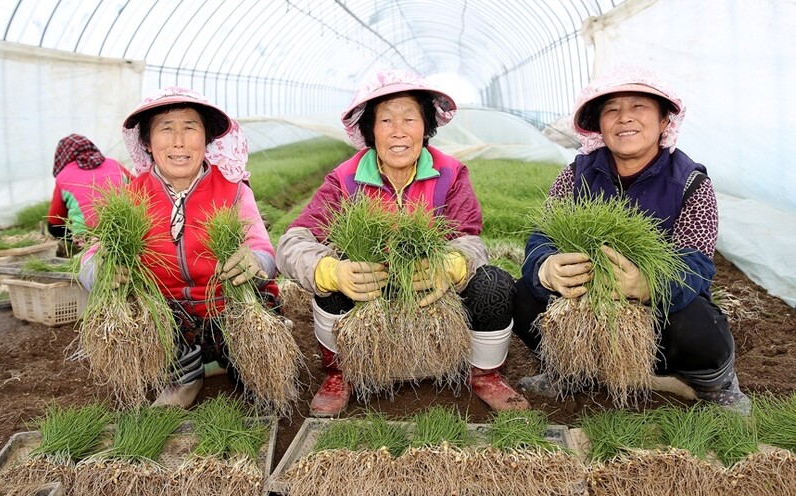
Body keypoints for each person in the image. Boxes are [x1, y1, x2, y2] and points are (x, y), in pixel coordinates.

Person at [276, 69, 528, 416]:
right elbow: (292, 242)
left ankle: (485, 374)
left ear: (425, 126)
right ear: (370, 130)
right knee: (330, 281)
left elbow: (470, 239)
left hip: (431, 289)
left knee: (494, 283)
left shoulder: (450, 173)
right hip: (371, 290)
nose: (398, 130)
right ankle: (340, 374)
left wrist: (450, 266)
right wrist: (332, 272)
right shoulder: (346, 179)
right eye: (385, 120)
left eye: (410, 118)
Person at [513, 64, 751, 414]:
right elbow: (542, 236)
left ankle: (713, 383)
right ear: (599, 125)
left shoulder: (691, 183)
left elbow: (697, 266)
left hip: (655, 329)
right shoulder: (576, 175)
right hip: (587, 308)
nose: (624, 117)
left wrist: (647, 285)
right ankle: (571, 371)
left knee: (697, 323)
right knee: (522, 294)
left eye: (638, 106)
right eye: (612, 110)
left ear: (665, 120)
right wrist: (545, 268)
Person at [79, 87, 277, 408]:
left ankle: (223, 361)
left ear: (207, 138)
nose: (179, 142)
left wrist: (254, 261)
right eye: (166, 129)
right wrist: (99, 270)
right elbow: (94, 253)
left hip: (225, 307)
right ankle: (185, 377)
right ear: (147, 142)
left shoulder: (233, 190)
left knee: (254, 373)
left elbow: (262, 249)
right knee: (142, 318)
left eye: (190, 127)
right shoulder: (131, 198)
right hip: (168, 320)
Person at [47, 134, 132, 248]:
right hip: (127, 229)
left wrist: (75, 235)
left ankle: (86, 245)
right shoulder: (113, 164)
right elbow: (142, 187)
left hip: (88, 237)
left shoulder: (62, 176)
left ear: (61, 155)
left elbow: (54, 225)